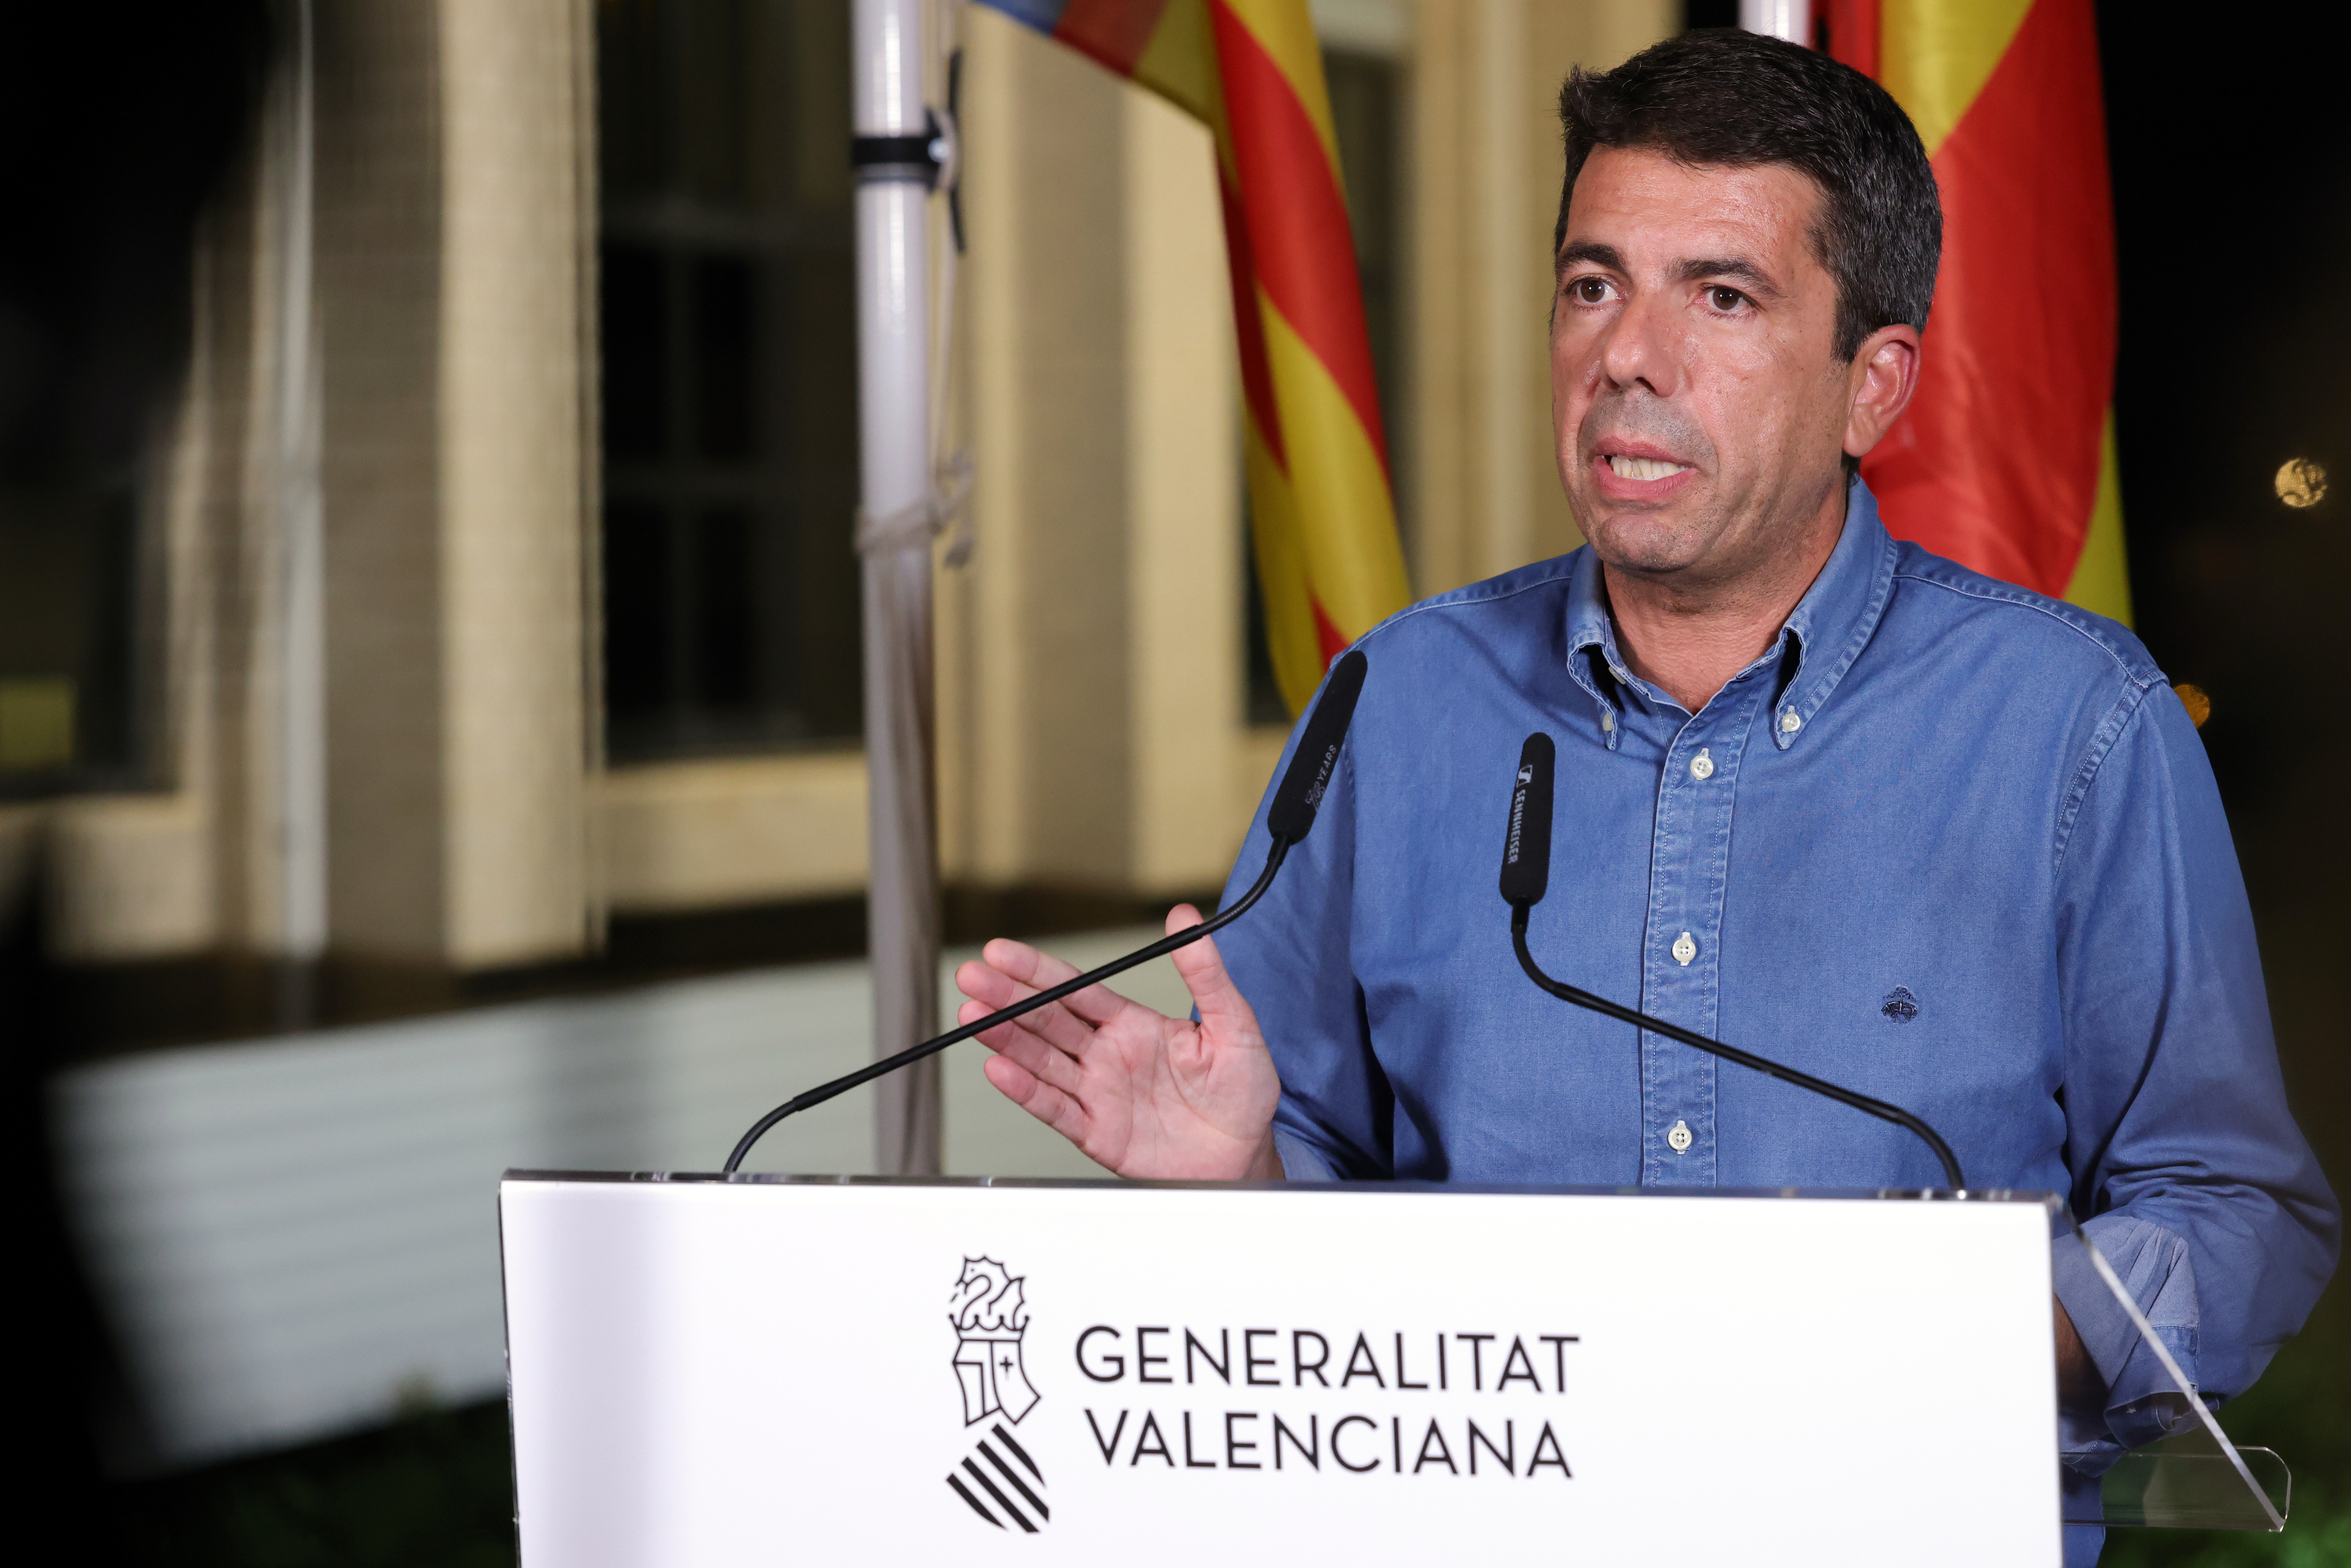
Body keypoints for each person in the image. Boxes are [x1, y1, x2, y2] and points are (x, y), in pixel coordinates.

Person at [952, 30, 2337, 1563]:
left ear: (1872, 385)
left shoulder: (2076, 722)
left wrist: (2020, 1331)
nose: (1627, 354)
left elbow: (2240, 1208)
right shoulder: (1396, 702)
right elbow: (1308, 1219)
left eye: (1721, 295)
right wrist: (1245, 1176)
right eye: (1594, 284)